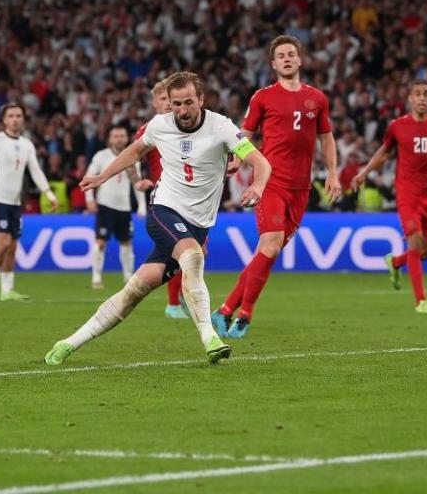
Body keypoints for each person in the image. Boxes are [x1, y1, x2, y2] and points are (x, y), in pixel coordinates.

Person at [44, 71, 272, 366]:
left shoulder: (221, 127)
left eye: (189, 102)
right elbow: (135, 151)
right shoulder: (160, 125)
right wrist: (102, 176)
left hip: (198, 223)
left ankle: (68, 343)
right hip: (164, 208)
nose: (182, 110)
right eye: (176, 103)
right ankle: (210, 338)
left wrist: (257, 185)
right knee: (192, 255)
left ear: (201, 100)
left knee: (135, 290)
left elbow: (260, 161)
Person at [212, 35, 341, 338]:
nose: (286, 59)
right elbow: (244, 132)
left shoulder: (318, 99)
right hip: (270, 181)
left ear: (299, 59)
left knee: (266, 253)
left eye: (291, 54)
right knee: (269, 246)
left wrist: (333, 173)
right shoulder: (263, 97)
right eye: (280, 55)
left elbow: (326, 138)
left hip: (301, 188)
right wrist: (236, 158)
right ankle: (244, 315)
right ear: (273, 63)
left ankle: (225, 310)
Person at [351, 78, 427, 314]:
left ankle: (394, 262)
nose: (422, 98)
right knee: (414, 242)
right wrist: (364, 172)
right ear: (410, 99)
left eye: (426, 94)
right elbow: (384, 153)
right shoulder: (397, 126)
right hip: (407, 193)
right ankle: (420, 301)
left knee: (424, 252)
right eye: (418, 94)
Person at [0, 103, 59, 301]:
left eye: (18, 115)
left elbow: (36, 171)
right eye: (10, 115)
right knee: (3, 242)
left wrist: (49, 193)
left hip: (15, 201)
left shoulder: (27, 144)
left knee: (12, 247)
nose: (15, 119)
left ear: (23, 119)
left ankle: (7, 290)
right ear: (3, 120)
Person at [135, 79, 189, 319]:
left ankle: (182, 298)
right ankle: (174, 303)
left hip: (189, 197)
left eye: (171, 99)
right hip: (165, 201)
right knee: (184, 251)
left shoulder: (184, 126)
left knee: (190, 252)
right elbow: (132, 157)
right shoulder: (150, 129)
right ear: (155, 103)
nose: (168, 104)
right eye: (164, 100)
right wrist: (138, 179)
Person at [85, 125, 143, 288]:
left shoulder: (132, 157)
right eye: (115, 136)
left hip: (124, 207)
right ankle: (96, 278)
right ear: (110, 139)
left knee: (126, 242)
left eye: (122, 135)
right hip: (105, 206)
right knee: (101, 242)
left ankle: (128, 278)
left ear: (127, 138)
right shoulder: (101, 156)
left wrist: (142, 206)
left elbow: (136, 183)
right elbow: (89, 177)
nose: (119, 139)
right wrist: (89, 199)